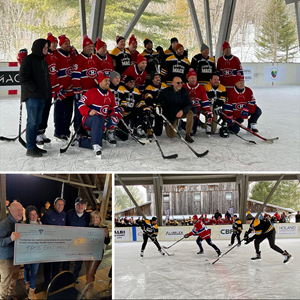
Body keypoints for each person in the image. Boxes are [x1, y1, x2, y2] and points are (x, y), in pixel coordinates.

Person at [19, 38, 51, 157]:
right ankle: (30, 147)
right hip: (32, 97)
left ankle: (34, 146)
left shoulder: (43, 61)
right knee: (32, 122)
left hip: (42, 96)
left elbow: (46, 80)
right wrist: (33, 88)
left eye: (47, 48)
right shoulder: (28, 60)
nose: (47, 50)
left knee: (37, 122)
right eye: (45, 48)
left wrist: (47, 92)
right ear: (39, 47)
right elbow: (22, 78)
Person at [77, 71, 123, 155]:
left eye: (108, 80)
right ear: (100, 82)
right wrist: (89, 111)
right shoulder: (91, 92)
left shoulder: (110, 94)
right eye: (105, 80)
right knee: (98, 118)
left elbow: (114, 107)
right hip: (88, 120)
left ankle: (101, 137)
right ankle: (96, 144)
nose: (108, 82)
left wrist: (116, 114)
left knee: (114, 119)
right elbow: (80, 104)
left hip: (103, 121)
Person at [36, 32, 61, 146]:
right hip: (41, 90)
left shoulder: (54, 55)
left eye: (56, 43)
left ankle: (42, 132)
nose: (55, 44)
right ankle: (36, 133)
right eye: (53, 43)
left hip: (49, 90)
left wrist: (56, 88)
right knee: (39, 112)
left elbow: (54, 74)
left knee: (46, 111)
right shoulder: (42, 56)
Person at [72, 34, 97, 138]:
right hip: (82, 92)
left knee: (90, 111)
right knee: (79, 112)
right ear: (84, 47)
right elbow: (75, 76)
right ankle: (78, 131)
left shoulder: (94, 58)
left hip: (92, 92)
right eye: (88, 46)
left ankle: (87, 129)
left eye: (92, 46)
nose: (90, 48)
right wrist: (77, 91)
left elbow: (96, 75)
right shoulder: (79, 59)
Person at [157, 76, 194, 143]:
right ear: (173, 83)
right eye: (178, 83)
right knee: (171, 135)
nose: (180, 84)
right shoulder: (166, 91)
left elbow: (189, 104)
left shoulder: (184, 91)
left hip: (180, 113)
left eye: (181, 83)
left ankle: (188, 134)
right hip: (170, 115)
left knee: (190, 113)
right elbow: (158, 101)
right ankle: (168, 124)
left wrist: (182, 111)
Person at [40, 197, 66, 287]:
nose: (60, 206)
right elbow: (41, 228)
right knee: (47, 264)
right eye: (58, 204)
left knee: (56, 264)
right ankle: (47, 282)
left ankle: (54, 281)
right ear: (54, 205)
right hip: (48, 244)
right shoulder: (47, 214)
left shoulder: (64, 215)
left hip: (59, 245)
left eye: (62, 204)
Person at [85, 211, 110, 298]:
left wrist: (106, 235)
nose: (95, 219)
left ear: (100, 219)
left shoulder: (104, 228)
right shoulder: (88, 227)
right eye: (93, 217)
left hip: (97, 253)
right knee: (88, 272)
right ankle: (88, 286)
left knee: (91, 273)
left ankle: (89, 291)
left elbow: (107, 242)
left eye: (97, 217)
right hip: (87, 252)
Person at [65, 197, 91, 283]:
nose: (80, 206)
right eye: (78, 204)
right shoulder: (69, 214)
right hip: (69, 241)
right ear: (75, 205)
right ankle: (65, 276)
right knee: (67, 260)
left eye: (82, 204)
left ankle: (75, 276)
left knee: (79, 262)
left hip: (81, 242)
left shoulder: (88, 216)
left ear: (85, 206)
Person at [0, 202, 23, 300]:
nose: (21, 212)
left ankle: (10, 295)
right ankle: (2, 298)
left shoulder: (19, 224)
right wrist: (10, 238)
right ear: (11, 211)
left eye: (21, 210)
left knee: (14, 278)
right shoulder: (3, 224)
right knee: (5, 281)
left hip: (16, 257)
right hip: (6, 259)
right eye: (18, 210)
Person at [54, 34, 75, 140]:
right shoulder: (57, 55)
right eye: (66, 43)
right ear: (61, 45)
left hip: (70, 90)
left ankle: (66, 130)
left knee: (69, 111)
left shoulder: (70, 55)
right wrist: (59, 87)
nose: (68, 45)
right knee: (60, 111)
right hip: (61, 90)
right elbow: (55, 73)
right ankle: (58, 131)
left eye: (69, 43)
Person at [181, 68, 212, 135]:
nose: (194, 80)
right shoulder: (183, 87)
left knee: (193, 131)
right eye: (192, 78)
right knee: (193, 111)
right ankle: (186, 126)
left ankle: (184, 125)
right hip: (186, 109)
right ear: (188, 78)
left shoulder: (201, 88)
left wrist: (208, 111)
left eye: (195, 78)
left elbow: (205, 101)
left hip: (197, 110)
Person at [23, 206, 42, 300]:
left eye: (35, 214)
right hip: (27, 253)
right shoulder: (23, 225)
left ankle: (31, 292)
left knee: (34, 272)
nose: (34, 216)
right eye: (31, 214)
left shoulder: (40, 223)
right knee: (26, 268)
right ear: (28, 216)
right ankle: (27, 282)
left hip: (36, 253)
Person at [144, 72, 168, 137]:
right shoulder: (149, 87)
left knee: (158, 132)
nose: (158, 79)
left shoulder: (164, 85)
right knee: (150, 111)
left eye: (159, 77)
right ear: (152, 80)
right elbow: (148, 97)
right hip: (154, 106)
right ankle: (149, 128)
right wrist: (152, 104)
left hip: (162, 106)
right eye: (156, 77)